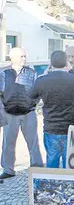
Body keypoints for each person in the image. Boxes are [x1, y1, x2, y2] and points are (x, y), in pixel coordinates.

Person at [30, 51, 74, 168]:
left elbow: (31, 96)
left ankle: (51, 184)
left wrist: (45, 74)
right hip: (70, 127)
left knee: (52, 160)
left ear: (51, 63)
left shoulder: (42, 80)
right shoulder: (73, 79)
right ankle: (71, 184)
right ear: (66, 62)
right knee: (70, 161)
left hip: (51, 127)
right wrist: (71, 70)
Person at [0, 48, 43, 178]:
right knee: (8, 143)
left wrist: (33, 104)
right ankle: (8, 169)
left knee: (33, 141)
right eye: (21, 56)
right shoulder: (3, 73)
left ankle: (37, 167)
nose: (24, 58)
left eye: (25, 56)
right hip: (10, 112)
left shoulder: (31, 73)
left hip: (28, 112)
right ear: (12, 58)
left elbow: (37, 91)